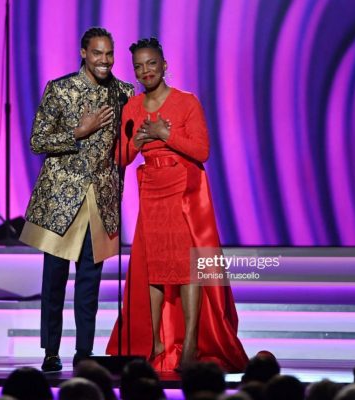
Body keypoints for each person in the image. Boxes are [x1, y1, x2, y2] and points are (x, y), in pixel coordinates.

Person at [106, 37, 248, 372]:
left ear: (164, 65)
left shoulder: (186, 103)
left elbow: (202, 152)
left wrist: (165, 134)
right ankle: (156, 342)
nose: (146, 71)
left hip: (183, 191)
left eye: (151, 63)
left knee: (187, 269)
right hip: (151, 189)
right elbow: (121, 158)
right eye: (139, 66)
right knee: (154, 267)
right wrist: (138, 140)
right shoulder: (132, 107)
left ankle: (191, 347)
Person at [19, 26, 134, 372]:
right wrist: (78, 132)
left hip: (100, 199)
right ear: (84, 53)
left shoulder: (124, 93)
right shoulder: (60, 89)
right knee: (54, 280)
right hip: (60, 198)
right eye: (98, 53)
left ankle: (84, 352)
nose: (104, 60)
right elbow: (38, 141)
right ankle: (51, 351)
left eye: (109, 54)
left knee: (90, 283)